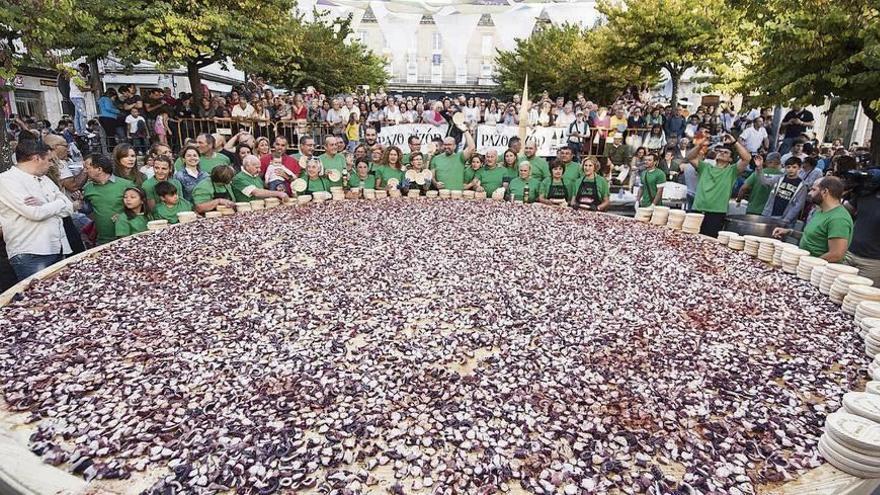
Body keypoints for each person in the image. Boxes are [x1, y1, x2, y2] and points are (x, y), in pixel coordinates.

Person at [0, 140, 75, 280]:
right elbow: (35, 213)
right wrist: (57, 202)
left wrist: (45, 204)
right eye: (49, 160)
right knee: (39, 299)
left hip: (58, 247)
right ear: (37, 158)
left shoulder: (45, 179)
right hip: (30, 253)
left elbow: (69, 208)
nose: (51, 164)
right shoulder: (7, 180)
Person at [686, 133, 752, 237]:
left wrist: (734, 142)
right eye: (720, 151)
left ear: (730, 159)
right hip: (697, 208)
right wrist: (700, 145)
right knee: (690, 239)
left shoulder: (731, 171)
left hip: (716, 213)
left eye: (726, 152)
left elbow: (747, 158)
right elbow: (689, 157)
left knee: (709, 242)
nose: (722, 153)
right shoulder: (705, 167)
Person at [773, 177, 852, 262]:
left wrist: (809, 264)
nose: (810, 193)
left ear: (825, 192)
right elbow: (813, 237)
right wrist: (789, 232)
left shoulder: (838, 219)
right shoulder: (820, 211)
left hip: (818, 271)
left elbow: (836, 255)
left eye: (814, 190)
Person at [83, 153, 135, 245]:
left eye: (87, 168)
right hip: (102, 241)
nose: (85, 171)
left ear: (99, 169)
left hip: (127, 238)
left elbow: (140, 208)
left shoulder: (126, 185)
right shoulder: (87, 188)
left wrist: (123, 216)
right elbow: (88, 211)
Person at [844, 171, 880, 284]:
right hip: (849, 252)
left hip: (872, 262)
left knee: (862, 296)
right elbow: (848, 209)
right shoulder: (865, 194)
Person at [753, 155, 808, 226]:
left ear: (799, 168)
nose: (791, 169)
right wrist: (759, 167)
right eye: (788, 167)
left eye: (794, 167)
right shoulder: (779, 178)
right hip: (769, 214)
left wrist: (786, 220)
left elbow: (798, 205)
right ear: (785, 168)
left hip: (785, 218)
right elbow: (765, 182)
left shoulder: (802, 185)